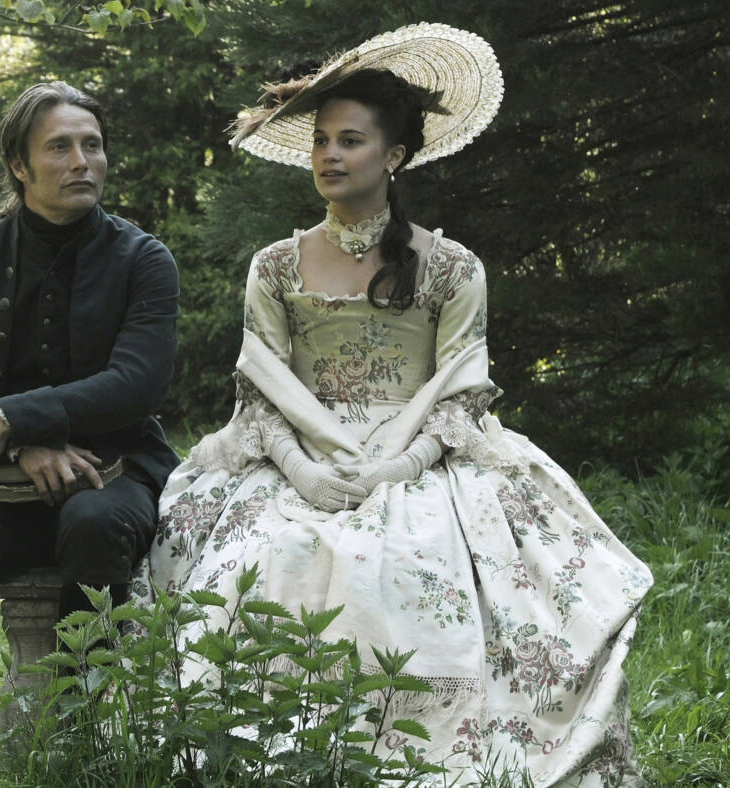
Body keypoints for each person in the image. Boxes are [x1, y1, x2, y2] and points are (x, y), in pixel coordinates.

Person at [137, 24, 651, 786]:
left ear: (395, 156)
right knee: (269, 550)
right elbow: (262, 390)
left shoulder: (453, 268)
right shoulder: (275, 266)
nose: (329, 155)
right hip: (299, 450)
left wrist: (401, 467)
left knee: (418, 556)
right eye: (321, 140)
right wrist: (301, 472)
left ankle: (436, 748)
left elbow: (461, 391)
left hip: (425, 450)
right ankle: (262, 751)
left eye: (350, 141)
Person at [0, 81, 181, 759]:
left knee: (93, 523)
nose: (82, 162)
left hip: (114, 471)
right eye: (60, 148)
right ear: (19, 165)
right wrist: (20, 446)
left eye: (92, 145)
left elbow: (136, 385)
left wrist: (12, 419)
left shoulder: (144, 260)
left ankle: (74, 745)